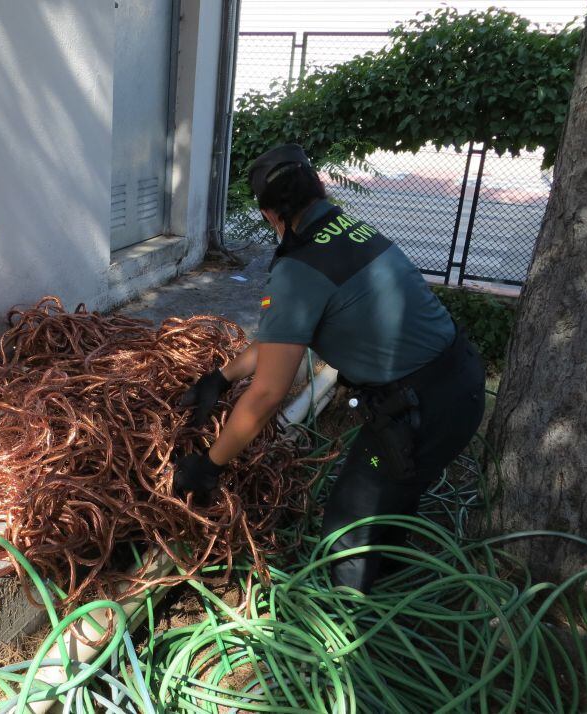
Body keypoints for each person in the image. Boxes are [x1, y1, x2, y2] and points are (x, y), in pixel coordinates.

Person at [174, 143, 485, 594]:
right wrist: (222, 377)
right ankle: (392, 586)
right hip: (461, 384)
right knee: (395, 493)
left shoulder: (298, 268)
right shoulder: (349, 230)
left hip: (421, 411)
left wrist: (209, 464)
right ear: (318, 189)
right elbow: (282, 338)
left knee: (348, 524)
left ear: (268, 213)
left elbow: (266, 396)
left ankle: (351, 636)